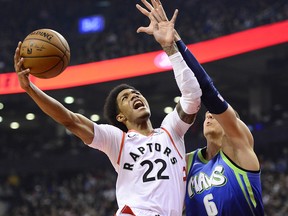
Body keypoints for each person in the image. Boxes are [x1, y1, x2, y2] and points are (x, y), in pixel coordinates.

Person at [14, 6, 202, 216]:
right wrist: (30, 89)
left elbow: (192, 96)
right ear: (120, 116)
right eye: (126, 97)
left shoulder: (171, 130)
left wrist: (170, 49)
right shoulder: (118, 140)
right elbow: (71, 120)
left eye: (136, 93)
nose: (135, 96)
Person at [136, 0, 264, 215]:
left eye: (216, 115)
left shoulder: (240, 145)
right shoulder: (187, 162)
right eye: (208, 114)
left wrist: (173, 44)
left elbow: (208, 92)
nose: (209, 115)